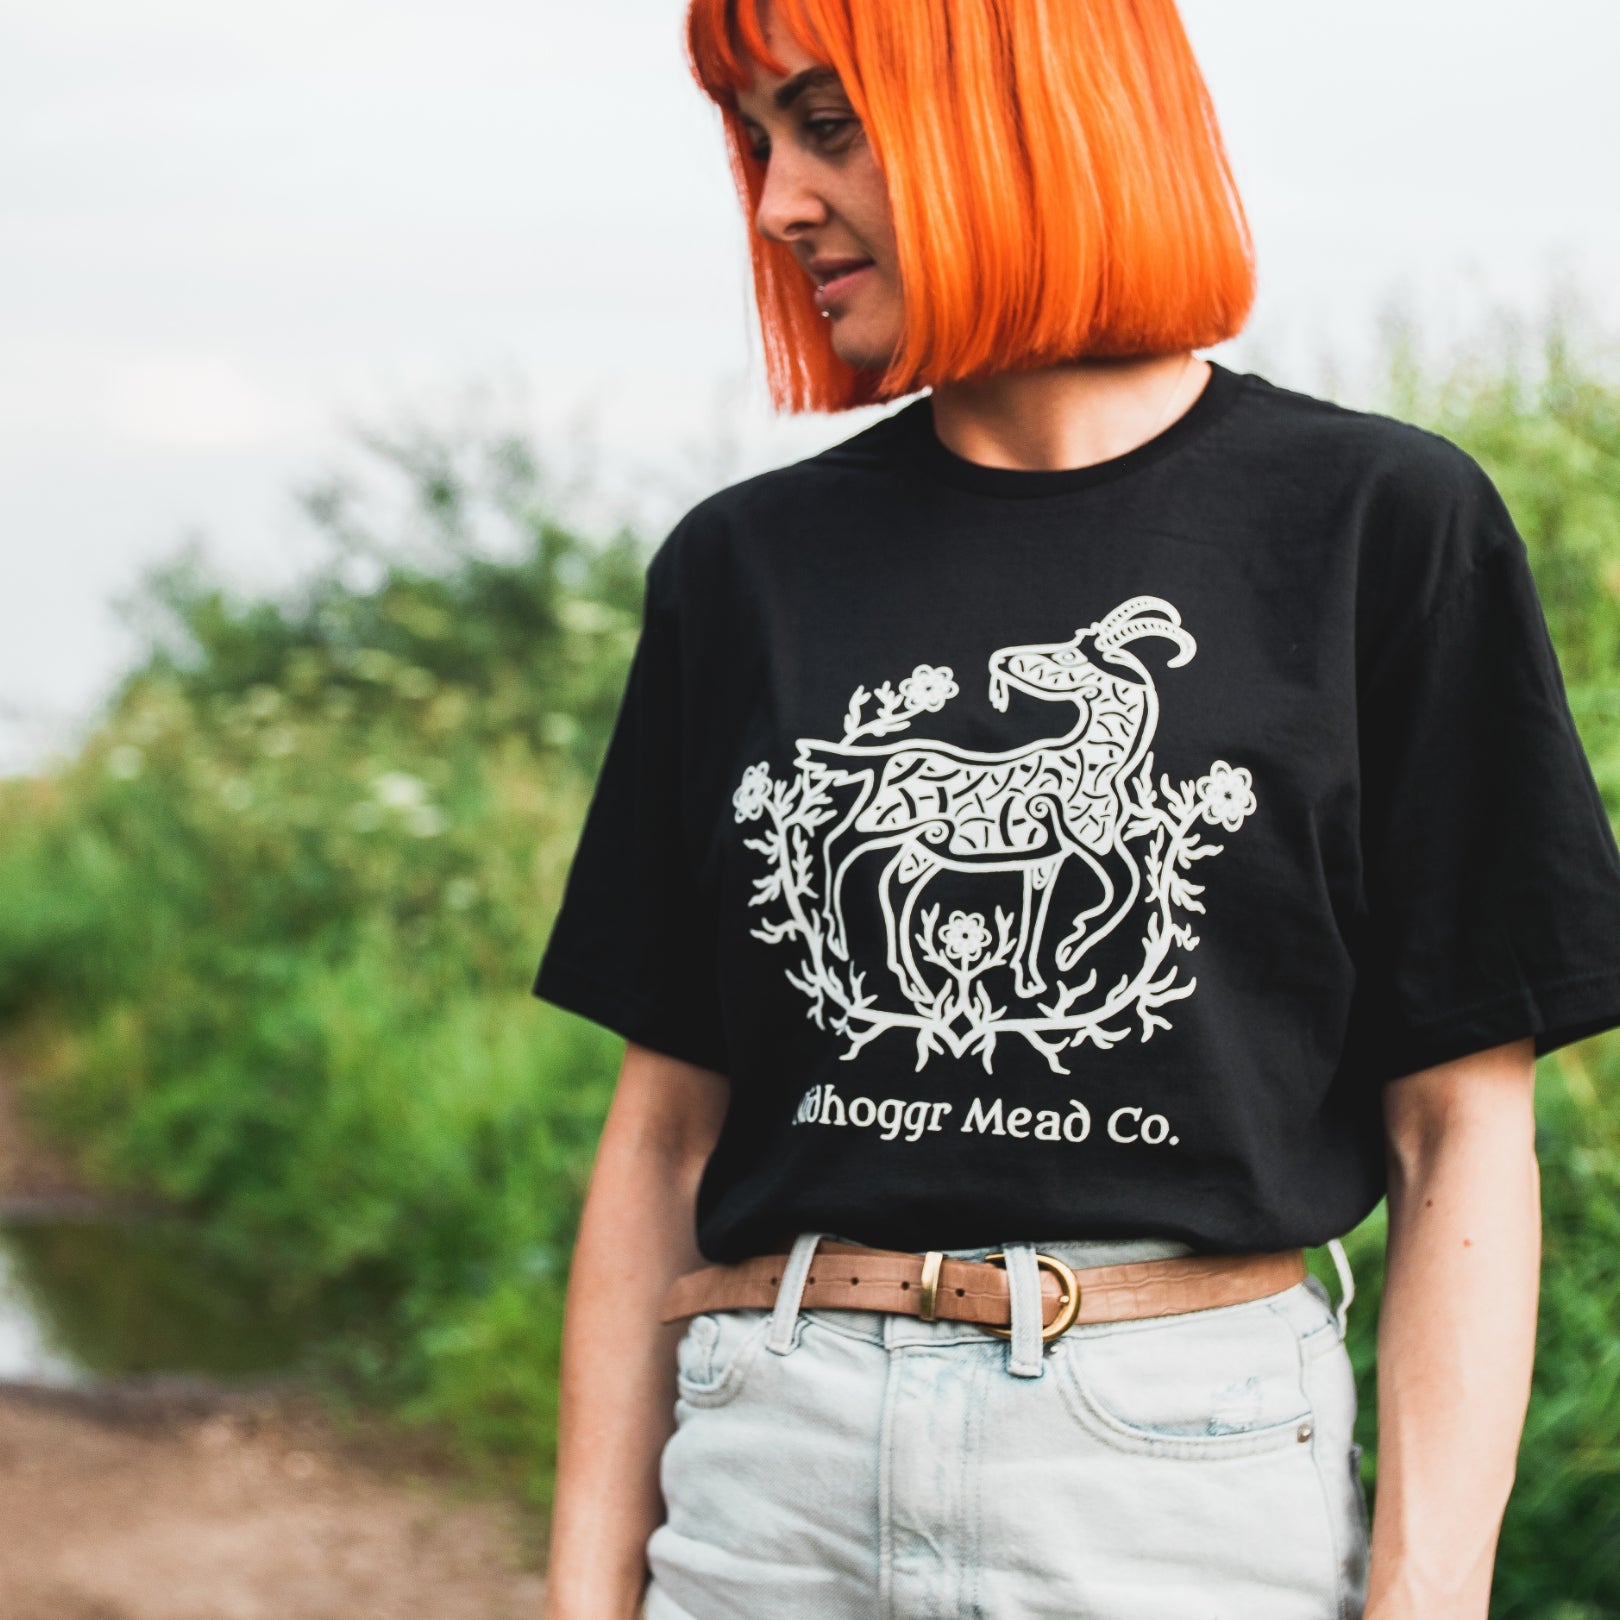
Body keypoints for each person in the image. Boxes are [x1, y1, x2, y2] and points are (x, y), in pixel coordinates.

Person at [532, 2, 1620, 1616]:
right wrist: (583, 1596)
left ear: (1024, 109)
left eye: (827, 126)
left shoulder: (1382, 527)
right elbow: (663, 1138)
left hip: (1178, 1481)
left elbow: (1459, 1127)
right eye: (755, 142)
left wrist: (1431, 1595)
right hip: (772, 1479)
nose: (775, 202)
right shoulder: (743, 567)